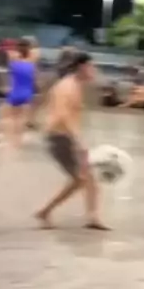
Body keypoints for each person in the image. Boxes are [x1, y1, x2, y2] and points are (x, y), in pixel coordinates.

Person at [35, 52, 109, 231]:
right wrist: (78, 140)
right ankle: (45, 211)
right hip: (60, 137)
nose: (94, 70)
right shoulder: (66, 86)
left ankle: (93, 216)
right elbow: (62, 115)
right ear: (82, 67)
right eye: (92, 66)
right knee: (81, 179)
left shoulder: (75, 85)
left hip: (66, 136)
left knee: (87, 178)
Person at [5, 38, 37, 148]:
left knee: (13, 118)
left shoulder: (13, 59)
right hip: (27, 91)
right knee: (22, 118)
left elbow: (9, 53)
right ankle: (19, 140)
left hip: (15, 90)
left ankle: (12, 140)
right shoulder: (32, 61)